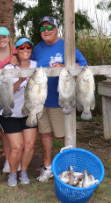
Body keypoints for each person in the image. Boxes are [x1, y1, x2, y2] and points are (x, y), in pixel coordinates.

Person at [32, 16, 87, 182]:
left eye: (50, 28)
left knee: (65, 135)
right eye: (43, 29)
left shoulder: (66, 45)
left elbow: (83, 64)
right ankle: (48, 167)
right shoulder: (37, 48)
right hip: (41, 101)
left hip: (61, 101)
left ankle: (70, 169)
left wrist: (64, 67)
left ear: (57, 29)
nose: (46, 31)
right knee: (45, 135)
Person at [0, 37, 38, 187]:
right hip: (9, 113)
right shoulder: (9, 69)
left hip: (28, 111)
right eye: (22, 48)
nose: (25, 50)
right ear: (17, 51)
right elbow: (6, 94)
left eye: (28, 47)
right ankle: (13, 173)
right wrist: (20, 80)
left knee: (30, 144)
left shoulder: (36, 66)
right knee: (17, 146)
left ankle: (24, 171)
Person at [0, 26, 20, 173]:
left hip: (17, 94)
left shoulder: (16, 51)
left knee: (17, 129)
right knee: (5, 130)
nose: (2, 40)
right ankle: (8, 160)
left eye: (4, 37)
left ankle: (17, 159)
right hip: (1, 95)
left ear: (9, 38)